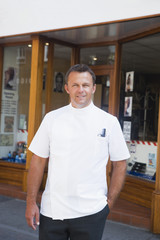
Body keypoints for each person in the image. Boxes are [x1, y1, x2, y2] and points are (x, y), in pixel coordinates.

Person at [25, 64, 130, 240]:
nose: (80, 90)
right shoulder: (52, 119)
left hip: (91, 212)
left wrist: (109, 203)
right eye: (75, 85)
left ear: (94, 88)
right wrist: (30, 202)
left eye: (85, 85)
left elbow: (120, 164)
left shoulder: (109, 122)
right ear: (67, 88)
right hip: (53, 211)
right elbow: (38, 161)